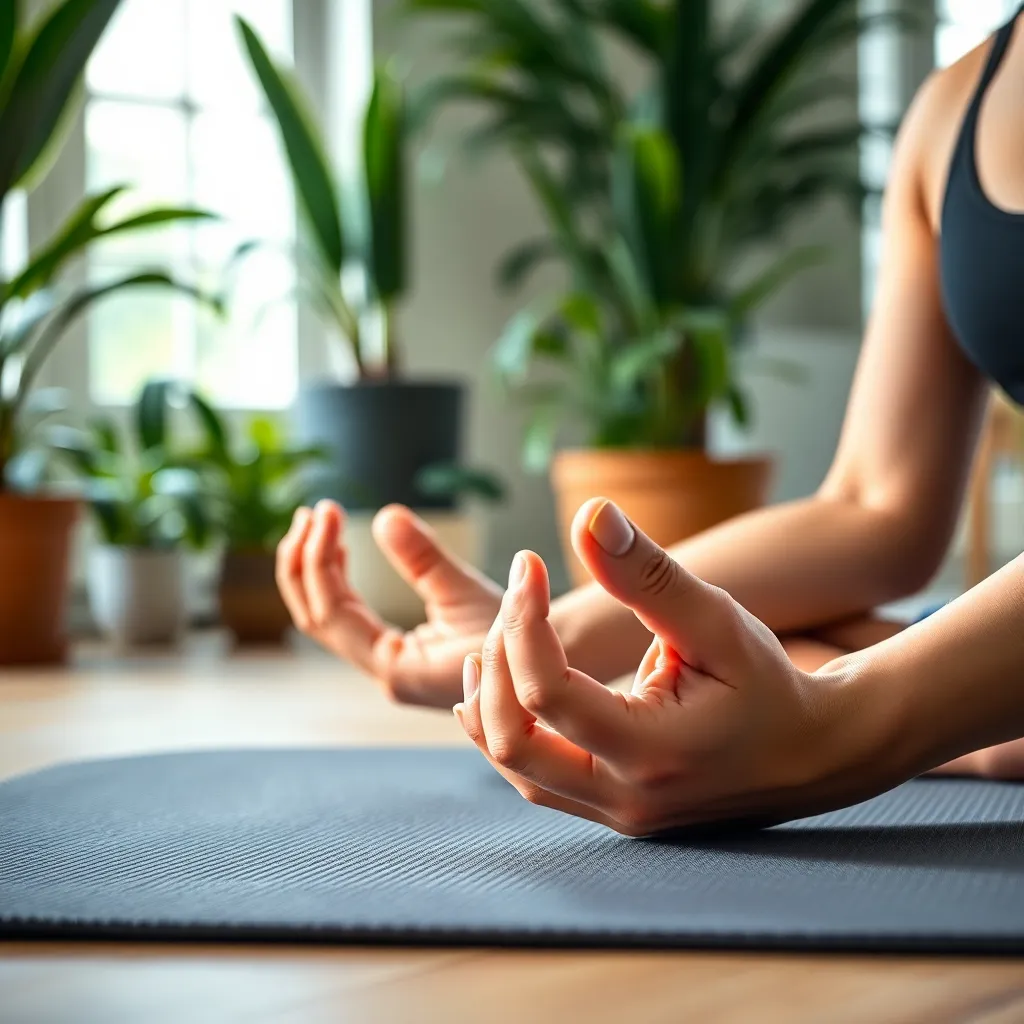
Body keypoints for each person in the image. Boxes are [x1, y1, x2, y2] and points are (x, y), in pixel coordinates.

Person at [276, 12, 1024, 836]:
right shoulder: (951, 112)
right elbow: (874, 509)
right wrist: (550, 639)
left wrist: (840, 725)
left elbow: (856, 682)